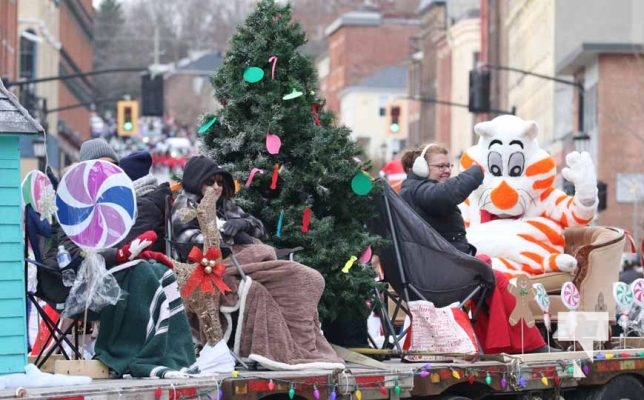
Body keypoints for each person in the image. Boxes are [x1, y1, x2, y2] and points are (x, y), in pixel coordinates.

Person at [170, 155, 345, 370]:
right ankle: (273, 348)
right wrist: (227, 238)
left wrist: (242, 224)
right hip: (215, 266)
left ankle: (303, 347)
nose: (216, 187)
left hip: (247, 259)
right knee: (262, 274)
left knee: (308, 278)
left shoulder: (224, 204)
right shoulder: (185, 205)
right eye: (210, 182)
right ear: (196, 182)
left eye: (219, 182)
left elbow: (259, 227)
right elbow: (189, 242)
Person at [399, 143, 550, 354]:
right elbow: (444, 195)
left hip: (434, 272)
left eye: (449, 165)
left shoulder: (413, 191)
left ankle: (519, 344)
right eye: (440, 166)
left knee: (495, 278)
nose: (447, 170)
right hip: (440, 277)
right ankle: (526, 345)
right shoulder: (421, 191)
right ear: (422, 168)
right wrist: (477, 171)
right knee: (495, 278)